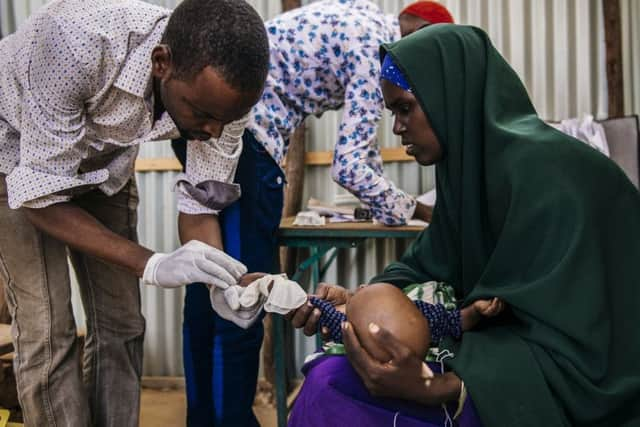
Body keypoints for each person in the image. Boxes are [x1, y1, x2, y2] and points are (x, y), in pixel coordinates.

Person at [289, 24, 640, 426]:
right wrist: (358, 301)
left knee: (337, 396)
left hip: (580, 375)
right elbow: (426, 264)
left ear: (448, 98)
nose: (398, 128)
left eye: (405, 108)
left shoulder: (553, 176)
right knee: (328, 379)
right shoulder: (465, 173)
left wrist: (440, 387)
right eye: (392, 113)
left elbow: (583, 345)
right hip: (508, 353)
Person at [170, 2, 455, 424]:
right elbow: (350, 165)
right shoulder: (376, 49)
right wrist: (418, 209)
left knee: (207, 282)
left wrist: (380, 197)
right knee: (245, 294)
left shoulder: (358, 16)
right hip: (247, 141)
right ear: (416, 36)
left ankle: (205, 418)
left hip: (210, 122)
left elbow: (363, 149)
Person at [0, 0, 269, 425]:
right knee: (48, 330)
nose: (213, 131)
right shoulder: (71, 42)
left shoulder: (223, 103)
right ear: (161, 62)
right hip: (15, 159)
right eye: (202, 115)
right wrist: (152, 263)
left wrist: (222, 278)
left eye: (226, 120)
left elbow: (200, 201)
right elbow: (40, 196)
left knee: (123, 323)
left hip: (103, 162)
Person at [309, 283, 504, 362]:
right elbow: (455, 321)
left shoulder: (347, 326)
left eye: (363, 291)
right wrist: (476, 311)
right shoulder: (426, 318)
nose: (362, 286)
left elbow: (315, 305)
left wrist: (306, 300)